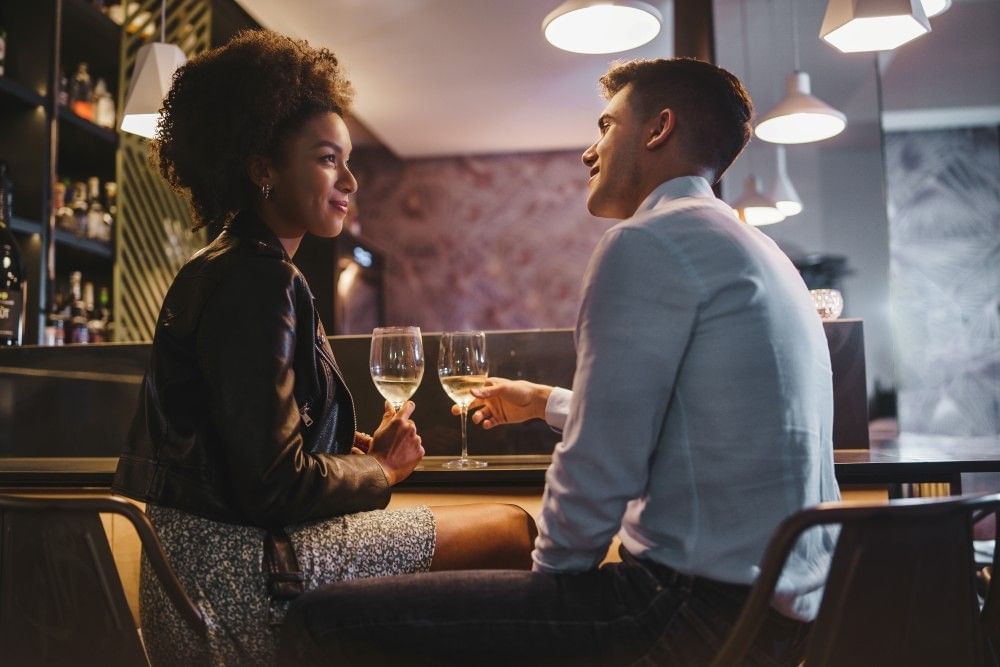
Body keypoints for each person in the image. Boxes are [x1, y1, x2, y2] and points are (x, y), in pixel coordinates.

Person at [277, 57, 840, 666]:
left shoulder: (647, 242)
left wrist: (546, 590)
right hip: (777, 619)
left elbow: (606, 462)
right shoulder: (760, 253)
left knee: (322, 622)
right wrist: (545, 402)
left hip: (681, 612)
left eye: (606, 125)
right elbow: (691, 425)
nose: (589, 151)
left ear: (658, 129)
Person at [111, 30, 536, 666]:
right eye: (327, 159)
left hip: (191, 575)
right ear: (263, 168)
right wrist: (382, 470)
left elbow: (245, 451)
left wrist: (337, 449)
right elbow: (273, 486)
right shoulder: (260, 279)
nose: (351, 180)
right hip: (238, 584)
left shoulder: (220, 267)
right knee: (512, 529)